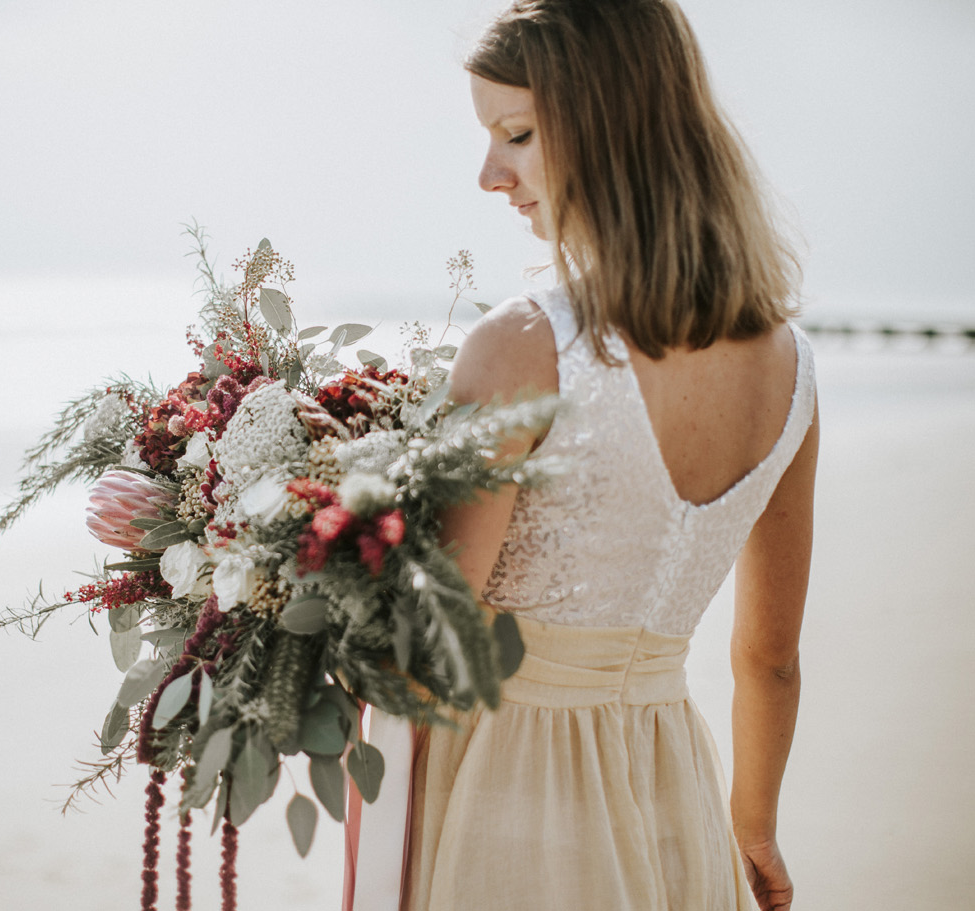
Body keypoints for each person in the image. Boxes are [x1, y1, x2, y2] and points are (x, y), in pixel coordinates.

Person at [342, 2, 817, 910]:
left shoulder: (528, 348)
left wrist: (281, 582)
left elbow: (424, 651)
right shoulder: (793, 372)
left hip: (511, 794)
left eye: (514, 134)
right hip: (671, 787)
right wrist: (751, 824)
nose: (489, 174)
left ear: (610, 121)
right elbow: (772, 657)